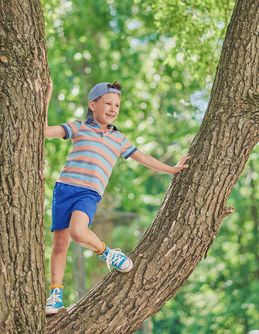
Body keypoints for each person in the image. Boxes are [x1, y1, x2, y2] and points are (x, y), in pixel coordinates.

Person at [43, 79, 190, 315]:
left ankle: (109, 254)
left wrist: (170, 168)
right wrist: (46, 97)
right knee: (60, 245)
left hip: (88, 192)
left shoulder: (118, 139)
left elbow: (143, 157)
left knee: (78, 232)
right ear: (93, 104)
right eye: (108, 103)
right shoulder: (79, 127)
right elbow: (43, 131)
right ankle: (55, 295)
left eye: (117, 106)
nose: (113, 109)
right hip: (64, 188)